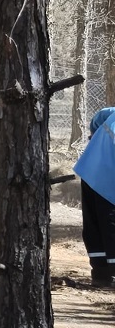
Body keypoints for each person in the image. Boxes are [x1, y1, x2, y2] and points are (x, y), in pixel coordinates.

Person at [75, 105, 115, 288]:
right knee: (110, 223)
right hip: (109, 178)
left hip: (90, 169)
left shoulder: (110, 113)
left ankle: (100, 274)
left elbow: (96, 123)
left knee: (93, 223)